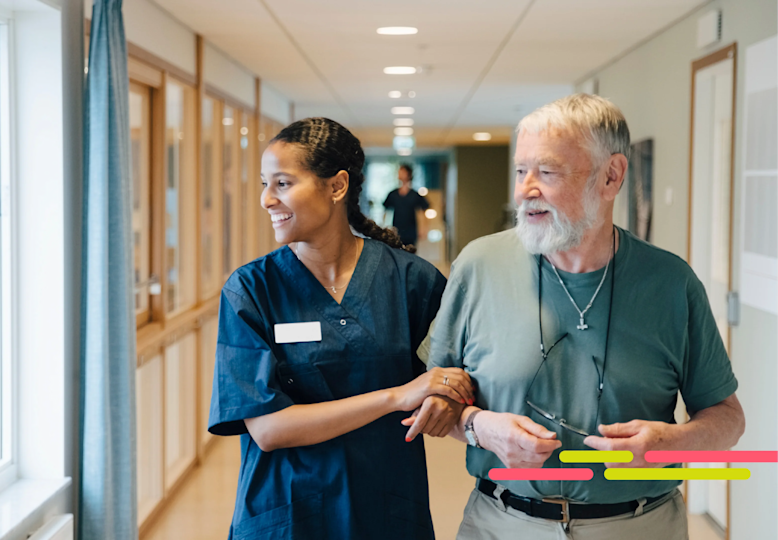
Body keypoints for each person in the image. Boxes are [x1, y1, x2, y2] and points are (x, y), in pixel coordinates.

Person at [412, 94, 744, 539]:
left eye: (546, 172)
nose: (524, 190)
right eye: (520, 170)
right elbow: (431, 400)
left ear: (611, 176)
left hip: (640, 524)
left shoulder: (671, 282)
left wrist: (671, 442)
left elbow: (727, 417)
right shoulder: (479, 266)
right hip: (501, 522)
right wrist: (479, 427)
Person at [208, 117, 474, 539]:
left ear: (336, 186)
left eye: (282, 183)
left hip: (385, 509)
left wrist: (450, 401)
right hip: (288, 514)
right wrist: (395, 397)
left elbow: (463, 376)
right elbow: (268, 428)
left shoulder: (412, 282)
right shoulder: (252, 289)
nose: (265, 199)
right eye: (264, 183)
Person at [382, 163, 430, 247]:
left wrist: (424, 229)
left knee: (410, 252)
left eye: (402, 172)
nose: (399, 174)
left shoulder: (414, 195)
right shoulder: (393, 194)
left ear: (408, 174)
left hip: (411, 231)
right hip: (396, 231)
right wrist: (383, 228)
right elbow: (385, 210)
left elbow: (423, 210)